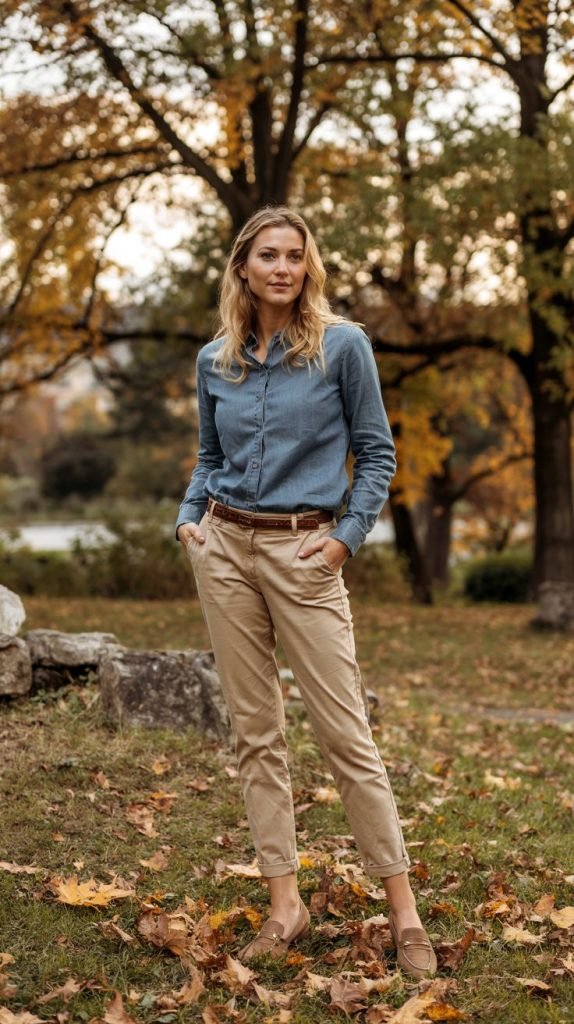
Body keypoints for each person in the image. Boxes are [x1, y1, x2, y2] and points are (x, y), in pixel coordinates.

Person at [175, 206, 437, 979]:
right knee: (256, 732)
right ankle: (285, 903)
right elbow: (208, 455)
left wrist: (345, 537)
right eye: (268, 255)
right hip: (224, 549)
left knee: (345, 734)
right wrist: (189, 518)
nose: (283, 267)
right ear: (243, 267)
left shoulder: (342, 346)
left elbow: (376, 453)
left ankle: (403, 910)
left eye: (295, 255)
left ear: (308, 267)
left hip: (305, 552)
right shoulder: (215, 360)